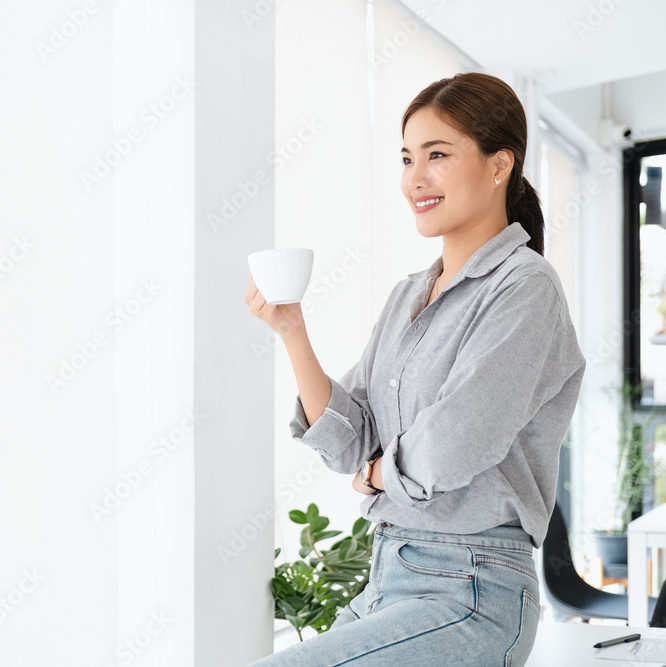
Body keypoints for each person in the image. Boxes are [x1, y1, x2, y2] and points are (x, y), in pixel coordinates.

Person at [244, 72, 586, 666]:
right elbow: (352, 442)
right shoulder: (409, 294)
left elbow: (455, 442)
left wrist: (379, 478)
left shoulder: (526, 288)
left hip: (474, 591)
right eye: (407, 158)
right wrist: (292, 331)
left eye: (438, 155)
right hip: (388, 576)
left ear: (500, 163)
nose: (415, 179)